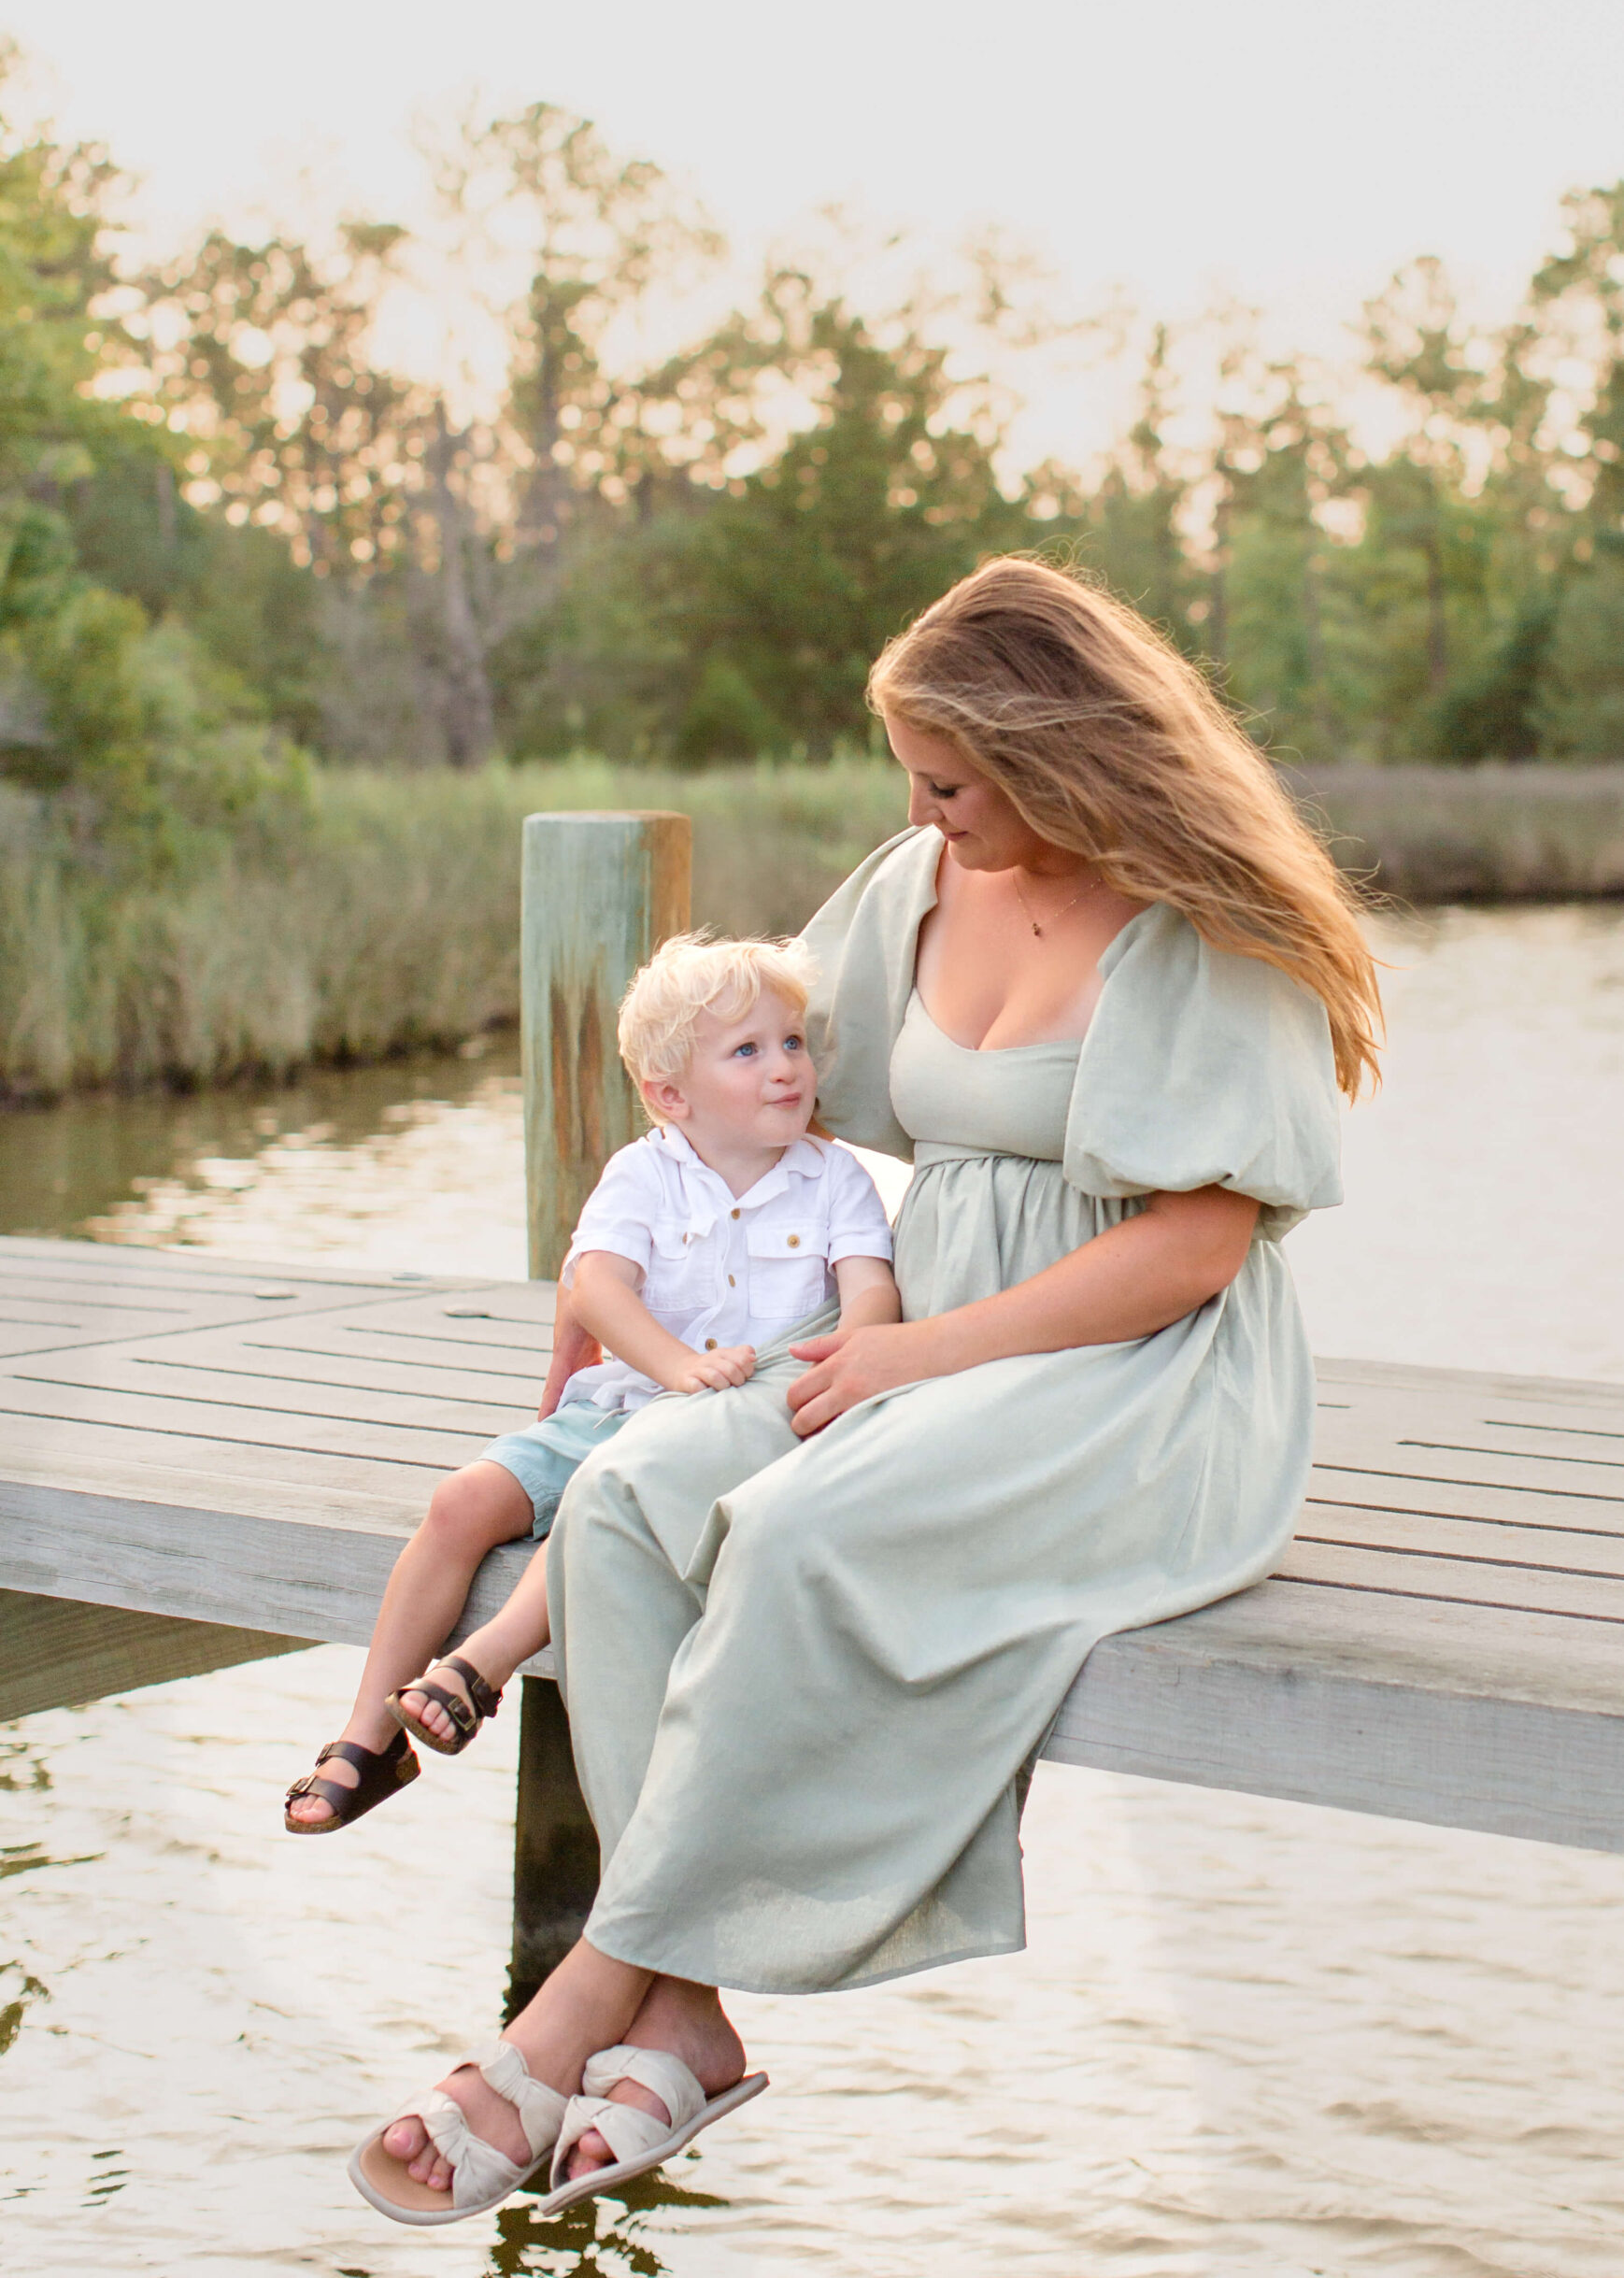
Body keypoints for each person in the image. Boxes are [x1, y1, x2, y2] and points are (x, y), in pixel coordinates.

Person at [349, 555, 1382, 2228]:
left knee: (800, 1531)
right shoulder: (916, 885)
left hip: (1139, 1381)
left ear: (1057, 752)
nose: (920, 807)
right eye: (913, 774)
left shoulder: (1200, 925)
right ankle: (683, 2018)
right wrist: (612, 1273)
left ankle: (580, 2007)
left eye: (951, 777)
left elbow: (1194, 1248)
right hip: (913, 1345)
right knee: (626, 1496)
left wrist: (915, 1352)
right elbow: (727, 1062)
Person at [284, 933, 897, 1833]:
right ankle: (368, 1735)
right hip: (630, 1401)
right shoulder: (643, 1174)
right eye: (748, 1051)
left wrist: (855, 1366)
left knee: (599, 1506)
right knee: (461, 1504)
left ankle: (479, 1668)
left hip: (730, 1436)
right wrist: (673, 1365)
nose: (784, 1069)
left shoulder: (833, 1179)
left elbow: (869, 1291)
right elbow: (598, 1287)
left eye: (793, 1043)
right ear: (669, 1094)